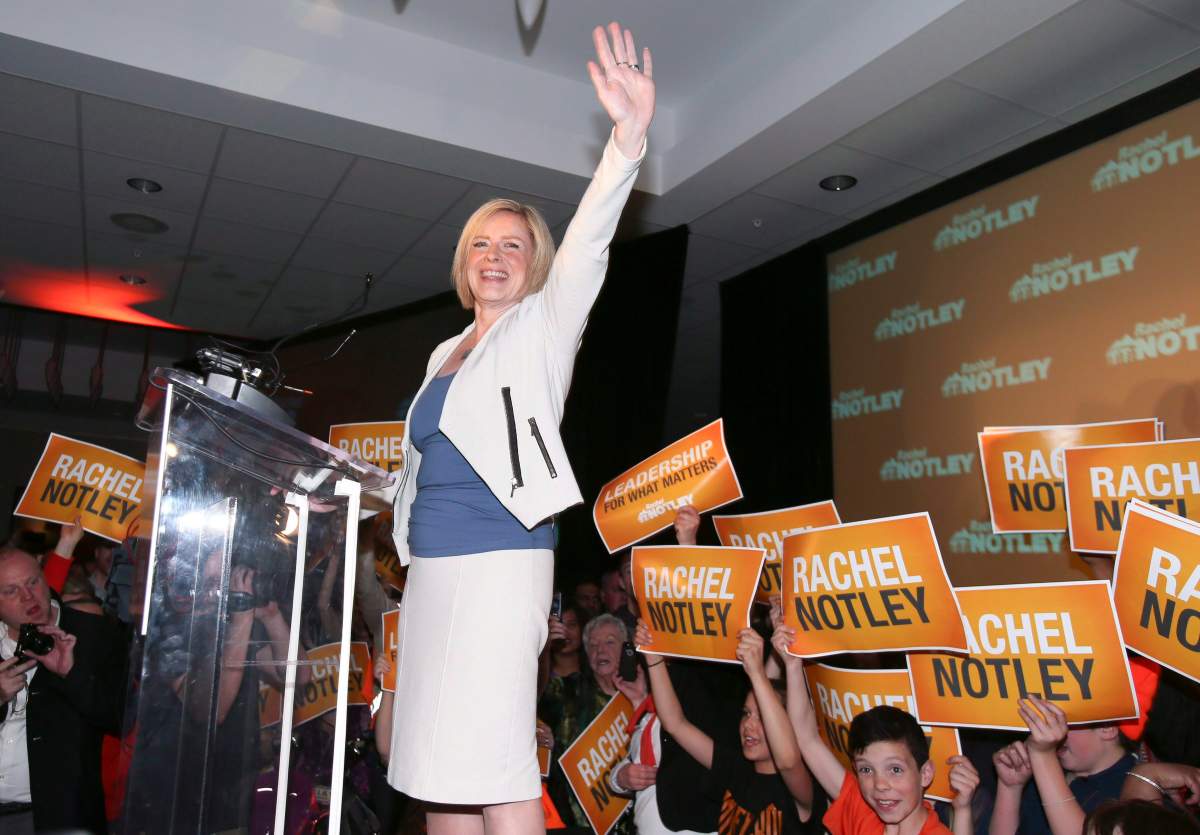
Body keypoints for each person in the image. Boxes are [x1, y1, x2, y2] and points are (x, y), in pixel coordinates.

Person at [381, 21, 656, 833]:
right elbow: (427, 463)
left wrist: (626, 140)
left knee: (496, 759)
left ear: (533, 263)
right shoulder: (443, 351)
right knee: (438, 770)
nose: (494, 255)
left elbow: (589, 244)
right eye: (481, 243)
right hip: (431, 570)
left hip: (500, 564)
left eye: (512, 245)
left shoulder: (542, 328)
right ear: (464, 261)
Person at [773, 624, 979, 835]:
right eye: (866, 770)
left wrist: (962, 810)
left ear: (925, 774)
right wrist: (792, 664)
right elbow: (806, 738)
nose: (880, 784)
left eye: (895, 770)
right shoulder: (861, 811)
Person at [636, 617, 821, 833]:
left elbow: (788, 761)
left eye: (762, 717)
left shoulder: (800, 789)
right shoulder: (736, 770)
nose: (748, 724)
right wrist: (653, 658)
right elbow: (675, 724)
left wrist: (757, 673)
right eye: (746, 713)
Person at [0, 546, 127, 835]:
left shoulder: (94, 633)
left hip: (58, 817)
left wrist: (71, 674)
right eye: (11, 591)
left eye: (33, 582)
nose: (28, 596)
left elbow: (120, 718)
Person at [539, 612, 643, 833]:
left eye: (609, 642)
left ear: (627, 648)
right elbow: (531, 694)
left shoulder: (646, 693)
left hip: (636, 823)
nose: (600, 650)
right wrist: (545, 647)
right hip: (576, 825)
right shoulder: (567, 691)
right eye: (593, 645)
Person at [989, 697, 1137, 835]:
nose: (1049, 730)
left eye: (1061, 720)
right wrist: (1010, 788)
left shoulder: (1133, 790)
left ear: (1107, 728)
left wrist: (1043, 755)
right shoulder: (1043, 776)